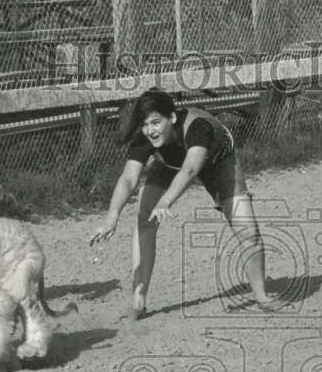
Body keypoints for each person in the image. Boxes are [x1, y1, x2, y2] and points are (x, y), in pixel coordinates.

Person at [88, 89, 282, 319]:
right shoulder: (146, 136)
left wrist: (166, 201)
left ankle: (261, 295)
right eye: (145, 124)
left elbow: (190, 169)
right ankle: (138, 302)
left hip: (218, 162)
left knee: (247, 229)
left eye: (156, 122)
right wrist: (112, 217)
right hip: (168, 164)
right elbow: (128, 178)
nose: (150, 130)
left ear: (172, 117)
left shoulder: (198, 127)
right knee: (145, 220)